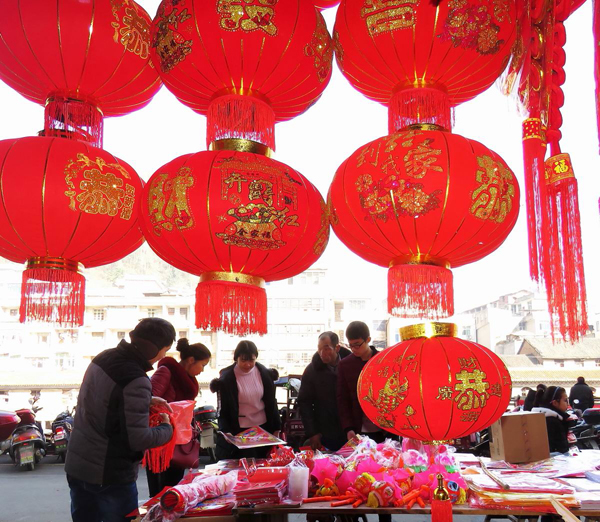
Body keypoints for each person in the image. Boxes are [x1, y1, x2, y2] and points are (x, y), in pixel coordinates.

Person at [65, 318, 176, 522]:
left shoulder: (104, 357)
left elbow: (106, 400)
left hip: (78, 464)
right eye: (165, 350)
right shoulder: (136, 378)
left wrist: (146, 400)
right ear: (155, 349)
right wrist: (166, 428)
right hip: (108, 474)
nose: (163, 356)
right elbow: (139, 438)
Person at [146, 338, 212, 497]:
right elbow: (149, 399)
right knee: (160, 492)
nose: (202, 370)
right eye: (203, 365)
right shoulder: (166, 371)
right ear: (191, 360)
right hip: (161, 440)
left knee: (174, 489)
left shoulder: (188, 380)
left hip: (178, 439)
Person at [210, 340, 280, 460]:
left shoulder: (265, 373)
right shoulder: (227, 378)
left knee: (263, 463)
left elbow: (272, 403)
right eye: (243, 360)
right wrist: (226, 430)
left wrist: (276, 427)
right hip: (239, 430)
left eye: (251, 360)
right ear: (236, 358)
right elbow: (222, 408)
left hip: (263, 428)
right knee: (244, 463)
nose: (247, 364)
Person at [337, 321, 392, 444]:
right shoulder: (345, 365)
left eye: (357, 345)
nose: (353, 349)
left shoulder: (384, 361)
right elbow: (343, 399)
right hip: (358, 428)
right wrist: (348, 428)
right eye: (350, 345)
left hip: (385, 427)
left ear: (368, 339)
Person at [298, 331, 352, 451]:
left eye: (326, 348)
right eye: (319, 349)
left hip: (350, 430)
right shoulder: (312, 371)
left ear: (337, 348)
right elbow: (304, 403)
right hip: (324, 430)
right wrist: (312, 433)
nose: (322, 353)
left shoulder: (350, 366)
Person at [532, 386, 576, 454]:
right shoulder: (552, 422)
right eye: (565, 400)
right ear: (555, 403)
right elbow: (558, 450)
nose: (567, 404)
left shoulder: (542, 418)